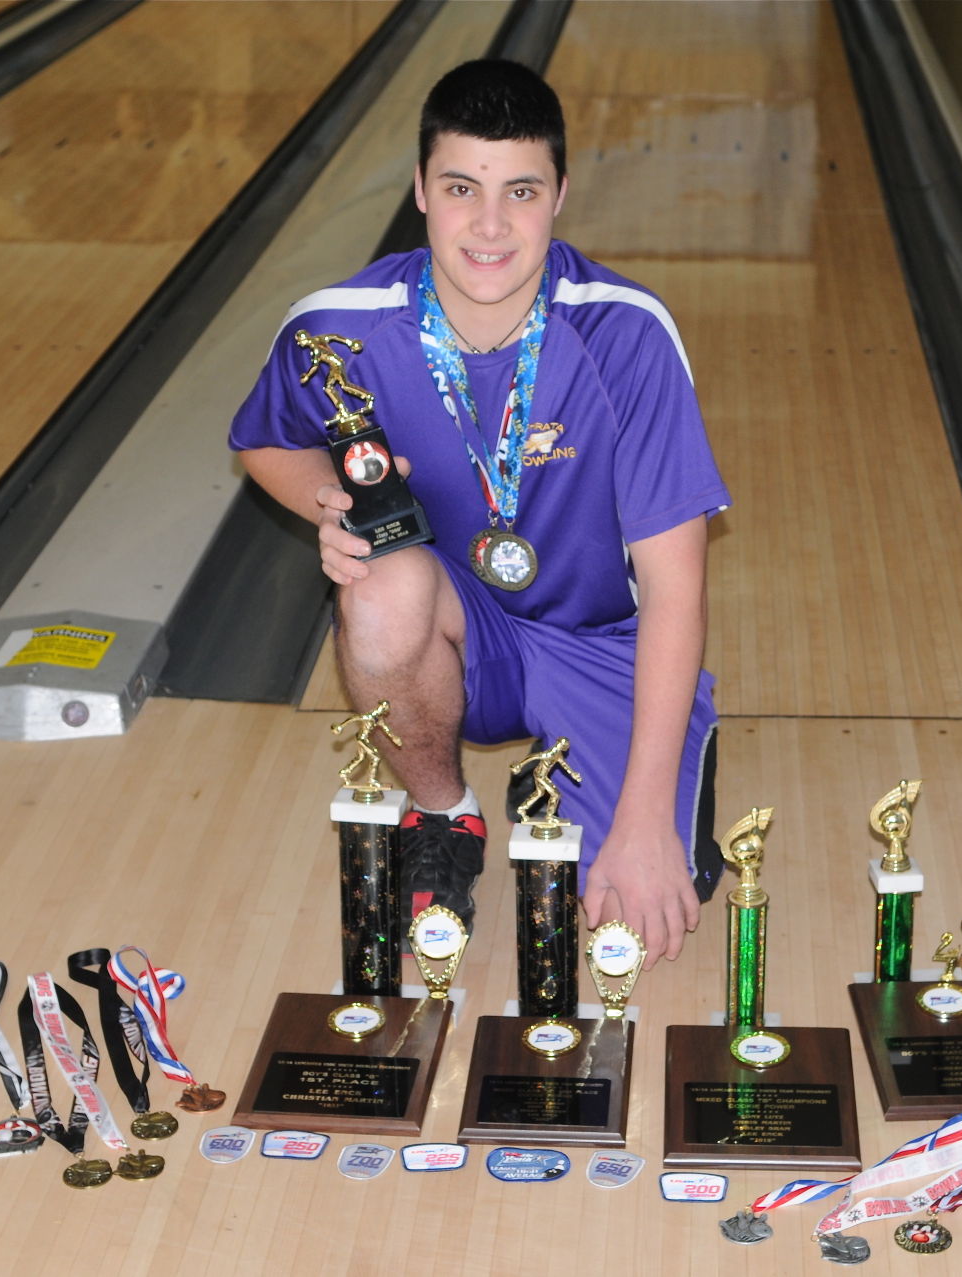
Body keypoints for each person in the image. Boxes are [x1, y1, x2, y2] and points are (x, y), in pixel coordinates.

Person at [228, 59, 729, 964]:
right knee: (380, 585)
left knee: (637, 912)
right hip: (458, 624)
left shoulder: (626, 336)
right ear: (421, 190)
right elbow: (264, 441)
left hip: (602, 643)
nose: (490, 225)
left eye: (520, 191)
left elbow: (675, 590)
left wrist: (645, 817)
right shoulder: (338, 329)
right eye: (461, 187)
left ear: (559, 196)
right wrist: (331, 507)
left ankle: (619, 761)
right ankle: (444, 812)